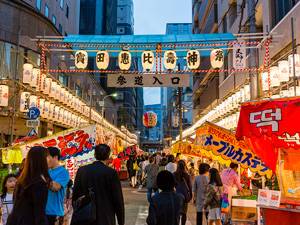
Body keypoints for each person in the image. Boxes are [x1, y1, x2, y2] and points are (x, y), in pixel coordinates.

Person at [72, 144, 124, 225]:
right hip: (106, 217)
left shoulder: (82, 170)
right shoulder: (111, 173)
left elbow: (75, 196)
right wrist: (121, 221)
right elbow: (118, 200)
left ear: (95, 155)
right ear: (108, 156)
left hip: (85, 217)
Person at [7, 146, 51, 225]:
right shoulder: (39, 183)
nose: (49, 159)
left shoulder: (21, 180)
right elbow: (39, 213)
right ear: (41, 160)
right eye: (47, 156)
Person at [46, 147, 70, 225]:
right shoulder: (46, 171)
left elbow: (55, 187)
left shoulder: (63, 172)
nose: (45, 160)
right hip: (41, 212)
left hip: (54, 213)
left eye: (47, 157)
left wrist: (42, 175)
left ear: (55, 157)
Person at [174, 160, 192, 225]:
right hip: (185, 196)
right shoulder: (187, 175)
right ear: (184, 166)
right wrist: (191, 196)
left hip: (176, 195)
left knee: (177, 212)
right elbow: (190, 187)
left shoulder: (174, 174)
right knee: (184, 213)